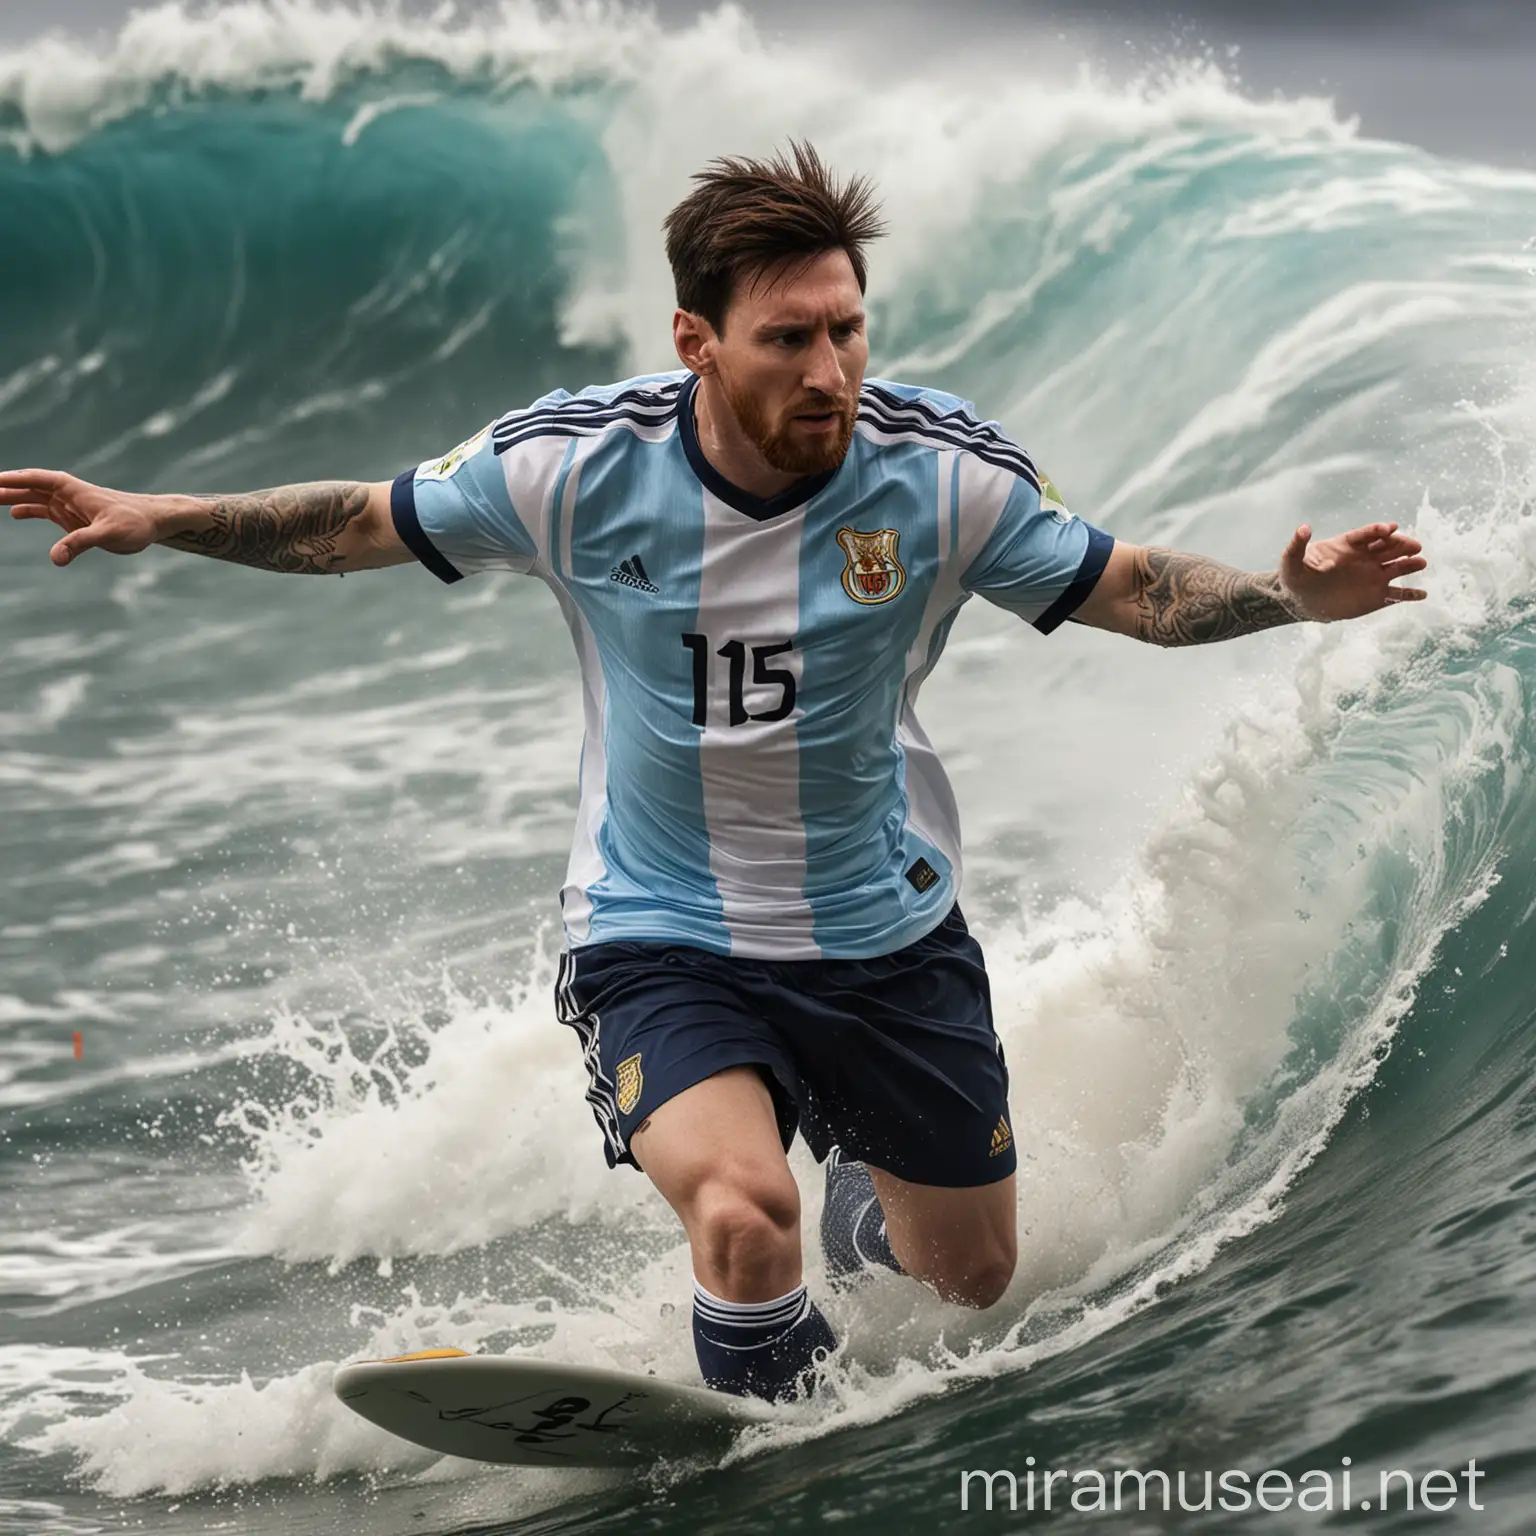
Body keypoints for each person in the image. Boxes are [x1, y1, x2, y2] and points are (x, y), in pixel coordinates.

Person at [1, 142, 1429, 1405]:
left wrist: (1288, 599)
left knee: (971, 1281)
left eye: (849, 332)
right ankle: (782, 1445)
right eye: (789, 338)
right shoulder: (575, 469)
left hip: (884, 937)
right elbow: (348, 523)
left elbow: (1134, 589)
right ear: (696, 338)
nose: (829, 371)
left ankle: (862, 1187)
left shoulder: (937, 476)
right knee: (743, 1220)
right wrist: (160, 515)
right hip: (659, 932)